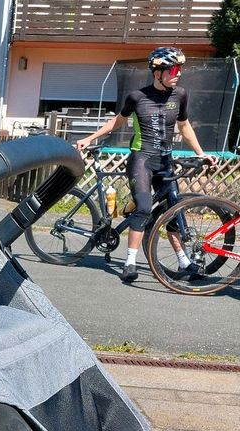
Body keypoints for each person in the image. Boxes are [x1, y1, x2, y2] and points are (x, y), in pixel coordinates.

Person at [75, 47, 217, 283]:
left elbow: (185, 127)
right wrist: (89, 138)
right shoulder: (137, 97)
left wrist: (202, 154)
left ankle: (183, 261)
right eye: (173, 69)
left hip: (165, 161)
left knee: (174, 208)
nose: (178, 73)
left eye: (180, 69)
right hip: (141, 159)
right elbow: (116, 123)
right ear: (157, 72)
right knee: (143, 208)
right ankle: (130, 262)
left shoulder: (180, 95)